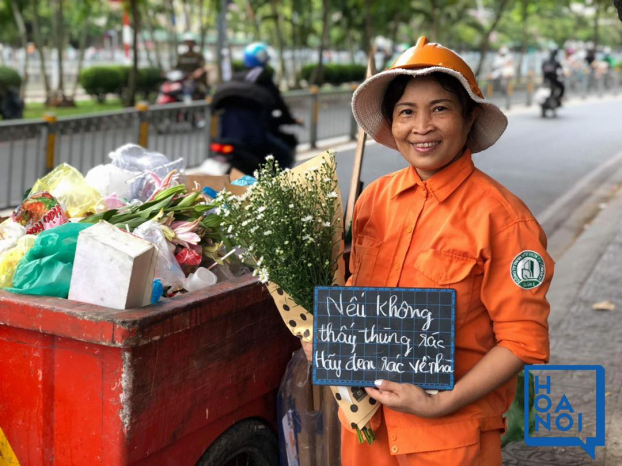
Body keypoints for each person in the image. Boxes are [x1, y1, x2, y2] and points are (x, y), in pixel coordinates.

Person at [340, 36, 554, 465]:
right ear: (391, 122)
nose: (422, 127)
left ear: (469, 116)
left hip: (449, 440)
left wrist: (440, 403)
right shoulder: (373, 198)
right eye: (406, 112)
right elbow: (353, 296)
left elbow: (523, 342)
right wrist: (326, 337)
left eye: (440, 108)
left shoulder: (505, 219)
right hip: (365, 429)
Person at [231, 42, 301, 167]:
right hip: (255, 135)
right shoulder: (263, 79)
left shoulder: (236, 78)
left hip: (231, 135)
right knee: (284, 155)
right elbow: (278, 104)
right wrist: (290, 119)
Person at [175, 33, 208, 99]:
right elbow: (177, 68)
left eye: (190, 42)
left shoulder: (198, 56)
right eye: (187, 42)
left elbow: (203, 67)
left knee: (204, 92)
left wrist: (198, 72)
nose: (189, 44)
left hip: (196, 81)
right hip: (183, 80)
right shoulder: (181, 56)